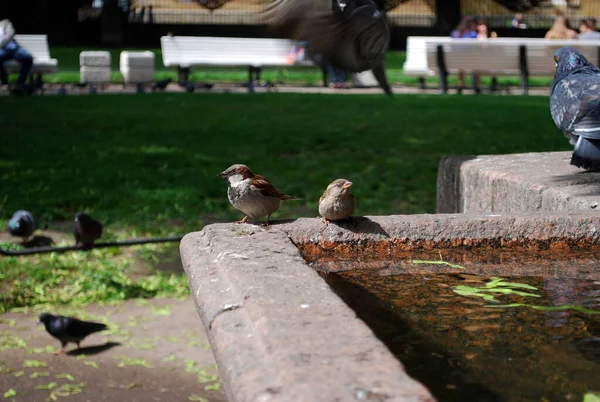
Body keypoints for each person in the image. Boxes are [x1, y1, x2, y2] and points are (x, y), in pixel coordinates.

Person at [0, 19, 33, 93]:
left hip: (13, 48)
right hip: (2, 51)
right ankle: (4, 82)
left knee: (28, 58)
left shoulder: (5, 23)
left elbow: (10, 34)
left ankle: (20, 84)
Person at [451, 17, 478, 94]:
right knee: (475, 63)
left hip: (460, 60)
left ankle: (461, 84)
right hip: (469, 60)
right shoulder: (473, 34)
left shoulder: (455, 33)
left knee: (462, 62)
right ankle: (476, 85)